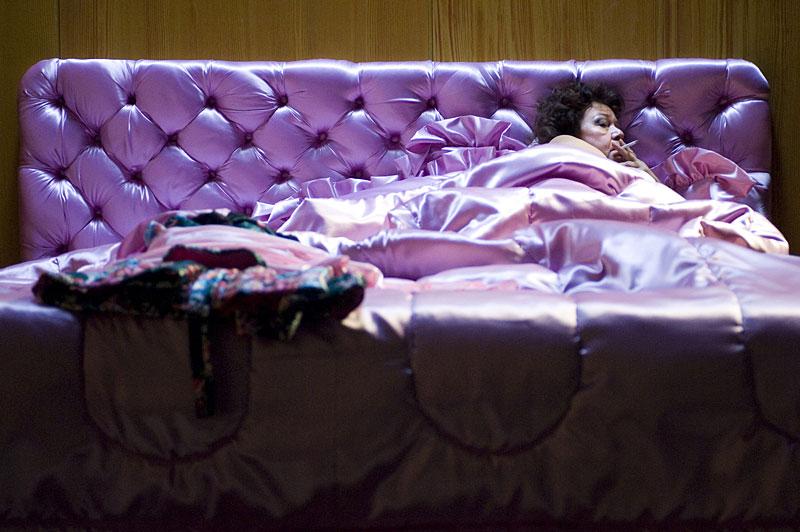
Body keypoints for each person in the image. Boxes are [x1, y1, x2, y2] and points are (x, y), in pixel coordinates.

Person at [534, 82, 659, 181]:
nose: (619, 133)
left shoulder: (629, 176)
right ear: (571, 133)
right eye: (603, 124)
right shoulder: (552, 163)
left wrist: (648, 177)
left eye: (616, 126)